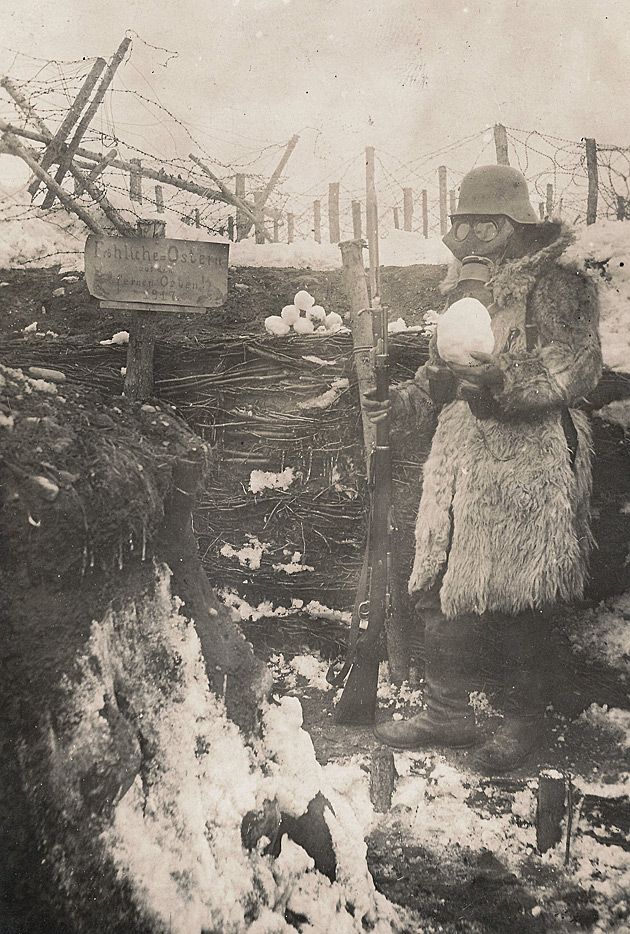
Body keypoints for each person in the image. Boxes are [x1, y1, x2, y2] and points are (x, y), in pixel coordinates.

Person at [365, 165, 602, 773]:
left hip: (530, 454)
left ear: (511, 224)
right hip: (460, 451)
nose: (469, 234)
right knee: (443, 579)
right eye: (462, 222)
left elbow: (576, 367)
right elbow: (439, 370)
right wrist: (407, 400)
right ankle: (448, 712)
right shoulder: (461, 289)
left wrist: (506, 380)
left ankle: (524, 722)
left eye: (482, 222)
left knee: (522, 588)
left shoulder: (556, 285)